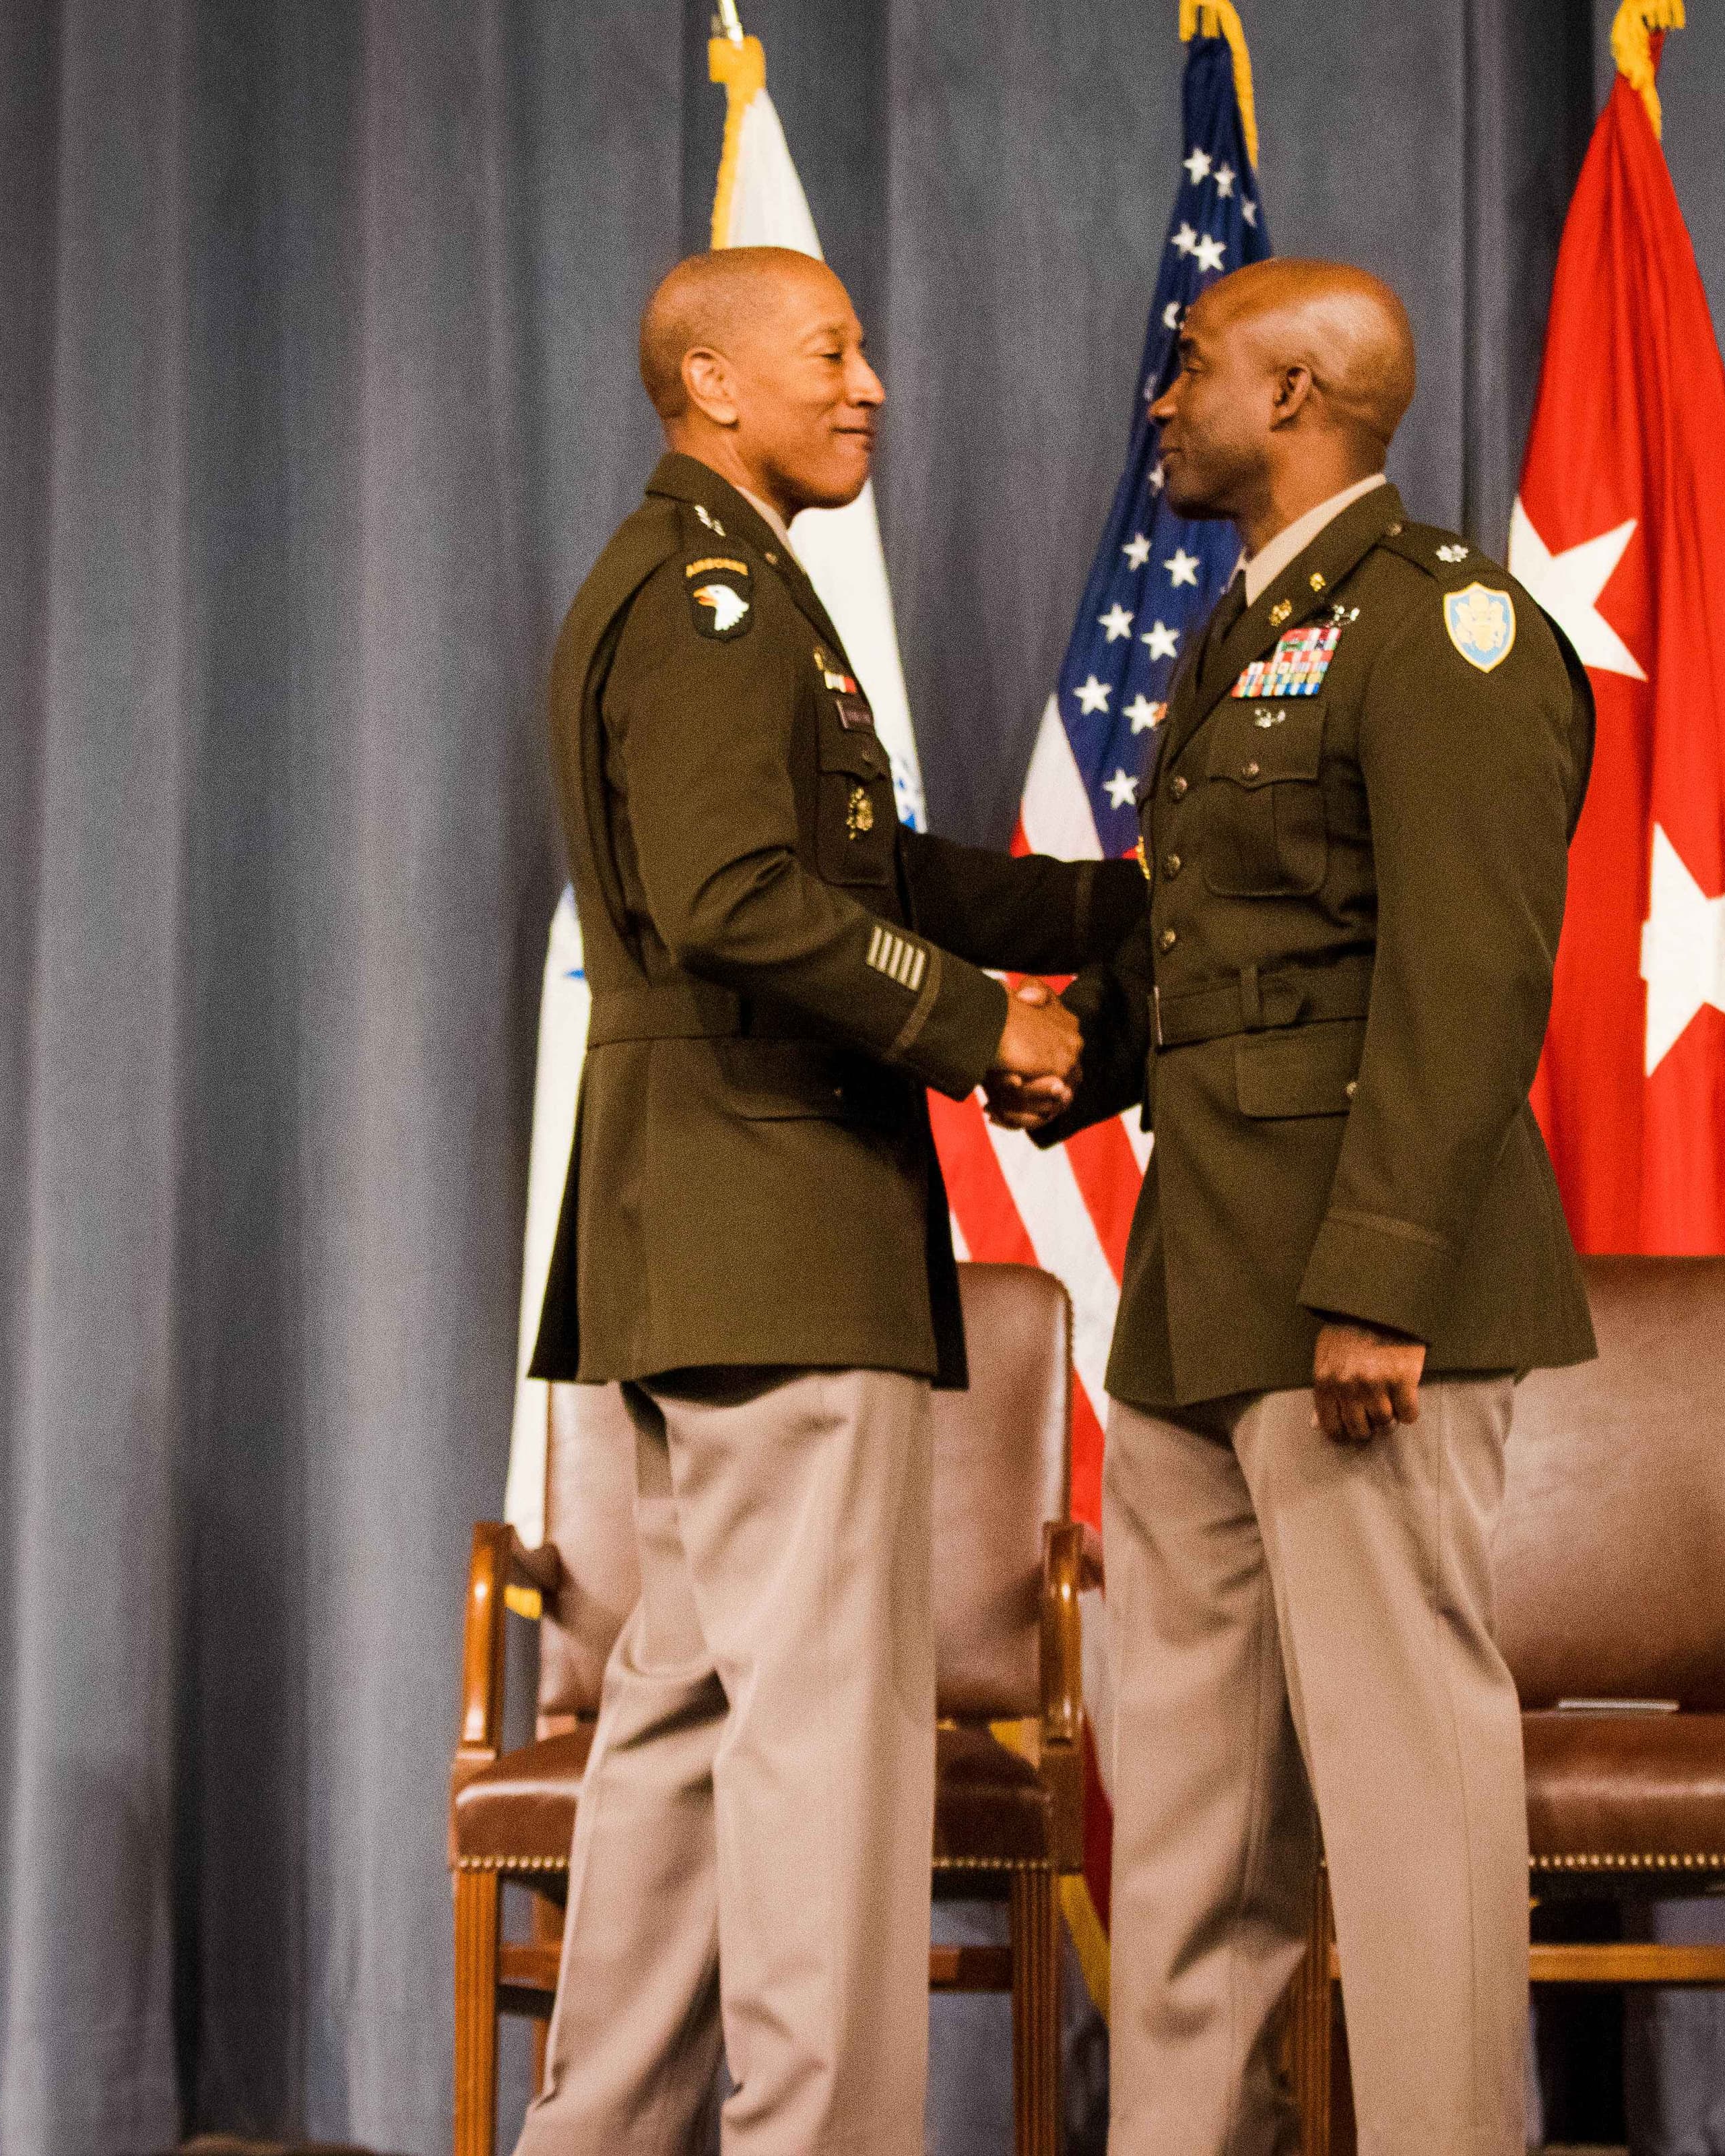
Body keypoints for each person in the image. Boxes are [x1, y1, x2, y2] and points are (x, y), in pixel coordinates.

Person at [517, 245, 1138, 2156]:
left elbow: (876, 868)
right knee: (823, 1756)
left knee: (693, 1736)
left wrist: (1144, 920)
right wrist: (998, 1040)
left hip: (708, 1246)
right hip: (774, 1237)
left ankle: (599, 2135)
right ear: (711, 383)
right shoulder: (715, 602)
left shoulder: (725, 585)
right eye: (831, 351)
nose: (871, 383)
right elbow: (739, 899)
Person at [1012, 257, 1598, 2153]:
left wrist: (1384, 1284)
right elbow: (1223, 955)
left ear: (1297, 397)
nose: (1162, 395)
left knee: (1408, 1793)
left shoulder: (1450, 634)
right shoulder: (1239, 635)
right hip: (1205, 1295)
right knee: (1186, 1812)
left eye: (1190, 365)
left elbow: (1467, 973)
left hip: (1361, 1302)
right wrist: (1045, 1052)